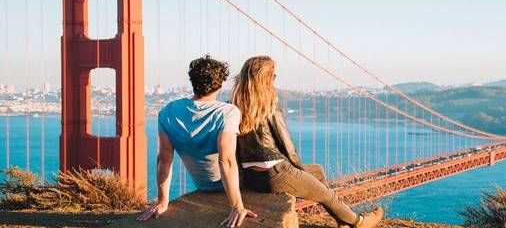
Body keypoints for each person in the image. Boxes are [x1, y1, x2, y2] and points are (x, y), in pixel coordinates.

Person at [231, 56, 383, 228]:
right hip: (276, 173)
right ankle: (359, 222)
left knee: (317, 171)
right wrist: (298, 169)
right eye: (273, 76)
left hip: (253, 177)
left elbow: (234, 148)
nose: (274, 81)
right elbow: (287, 145)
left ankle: (342, 220)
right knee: (327, 195)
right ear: (266, 78)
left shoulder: (234, 105)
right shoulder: (269, 105)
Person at [137, 55, 254, 228]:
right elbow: (226, 160)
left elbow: (164, 159)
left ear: (192, 81)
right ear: (220, 84)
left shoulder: (167, 111)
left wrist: (163, 201)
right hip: (241, 183)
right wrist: (237, 206)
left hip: (203, 186)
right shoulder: (228, 112)